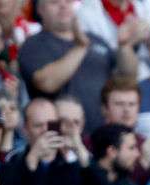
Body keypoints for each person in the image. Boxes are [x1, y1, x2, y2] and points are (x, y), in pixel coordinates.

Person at [18, 0, 137, 131]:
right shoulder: (34, 45)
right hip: (61, 134)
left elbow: (128, 77)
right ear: (40, 9)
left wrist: (125, 46)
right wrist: (80, 48)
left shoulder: (96, 39)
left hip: (101, 134)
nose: (63, 5)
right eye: (54, 2)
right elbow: (47, 83)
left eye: (68, 1)